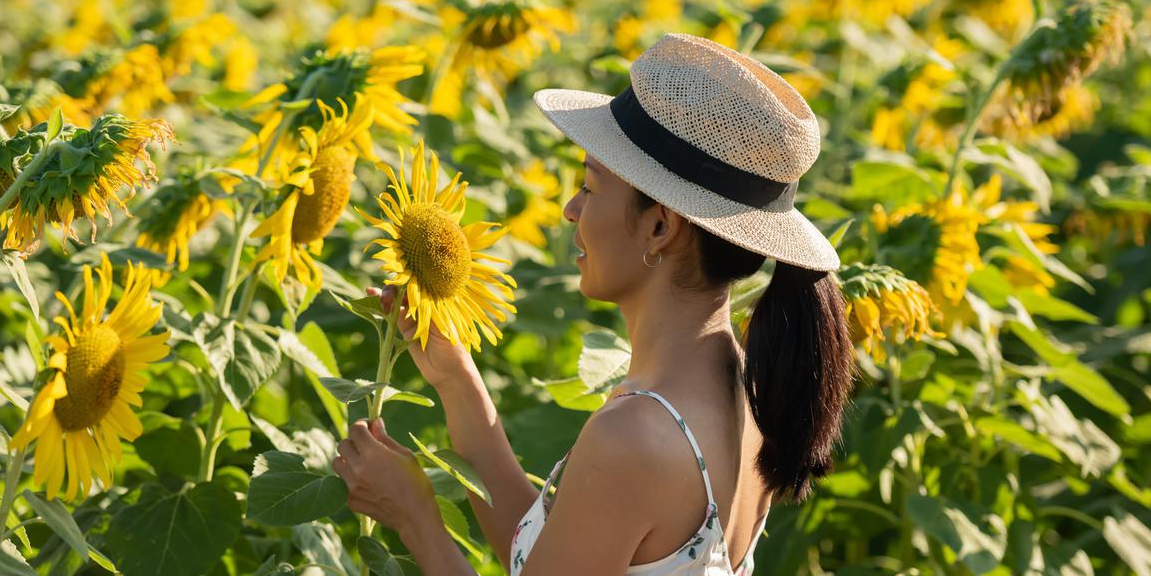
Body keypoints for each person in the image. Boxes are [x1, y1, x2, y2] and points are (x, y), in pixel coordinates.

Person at [332, 32, 857, 575]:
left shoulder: (636, 436)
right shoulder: (745, 389)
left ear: (659, 227)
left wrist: (415, 516)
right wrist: (455, 380)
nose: (570, 209)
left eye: (590, 185)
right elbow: (547, 555)